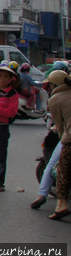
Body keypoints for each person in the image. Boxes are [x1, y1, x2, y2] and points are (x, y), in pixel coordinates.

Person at [31, 70, 67, 212]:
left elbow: (59, 126)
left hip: (68, 136)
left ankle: (42, 195)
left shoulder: (56, 99)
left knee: (53, 163)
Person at [45, 69, 71, 220]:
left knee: (63, 170)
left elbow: (60, 126)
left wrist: (63, 141)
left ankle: (61, 204)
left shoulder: (55, 99)